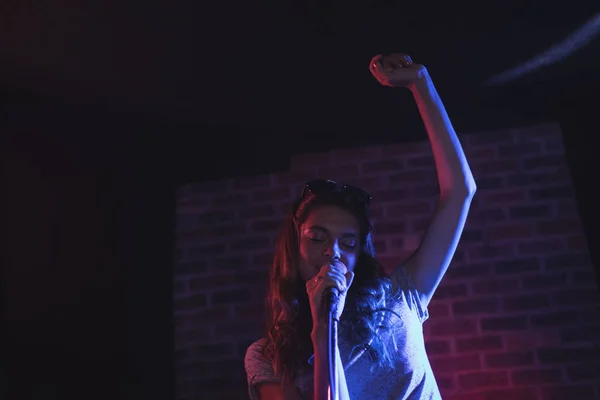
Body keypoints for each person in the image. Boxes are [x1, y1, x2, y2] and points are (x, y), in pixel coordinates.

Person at [244, 53, 477, 400]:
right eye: (317, 237)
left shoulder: (400, 298)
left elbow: (460, 192)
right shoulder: (267, 357)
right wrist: (325, 328)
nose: (332, 251)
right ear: (295, 245)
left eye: (348, 242)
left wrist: (421, 85)